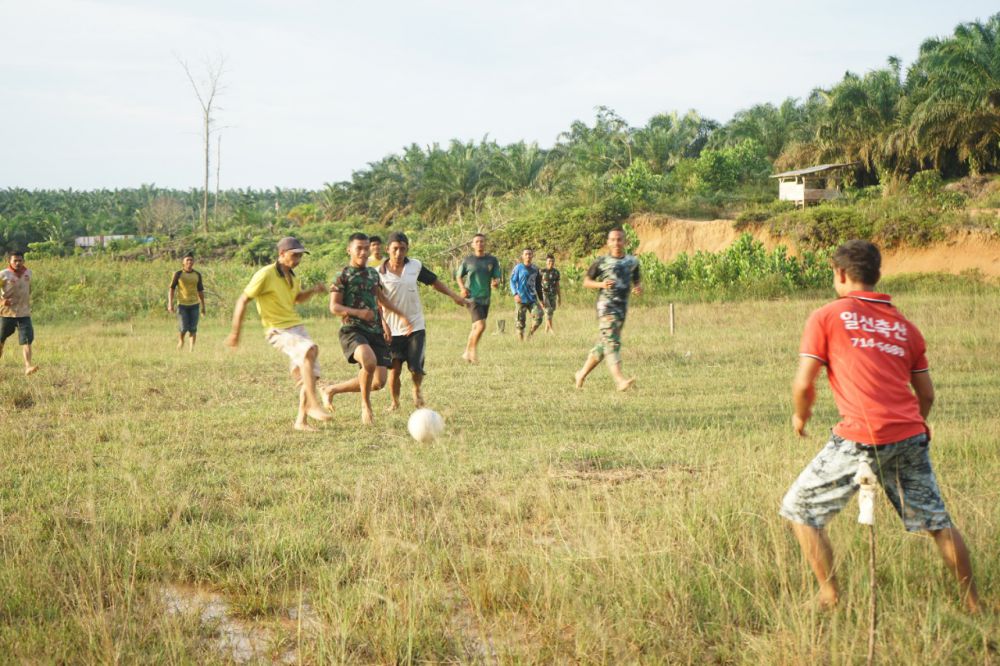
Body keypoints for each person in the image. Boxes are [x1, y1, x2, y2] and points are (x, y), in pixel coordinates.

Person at [780, 239, 980, 613]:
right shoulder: (905, 327)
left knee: (800, 509)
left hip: (861, 435)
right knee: (937, 523)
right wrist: (909, 427)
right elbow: (927, 395)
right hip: (910, 433)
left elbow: (804, 384)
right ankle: (974, 603)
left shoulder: (827, 316)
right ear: (877, 275)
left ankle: (829, 595)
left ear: (840, 274)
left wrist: (800, 416)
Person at [225, 237, 331, 432]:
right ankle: (312, 404)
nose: (298, 259)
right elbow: (243, 300)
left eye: (300, 256)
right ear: (281, 254)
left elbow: (296, 298)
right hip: (277, 330)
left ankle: (301, 421)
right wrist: (235, 332)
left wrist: (313, 291)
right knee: (309, 350)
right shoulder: (265, 274)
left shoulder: (293, 277)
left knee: (311, 374)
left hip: (296, 327)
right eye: (294, 255)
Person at [322, 233, 412, 425]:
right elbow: (334, 307)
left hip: (375, 331)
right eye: (359, 248)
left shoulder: (373, 274)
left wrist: (396, 318)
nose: (363, 252)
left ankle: (331, 389)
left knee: (378, 382)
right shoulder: (342, 276)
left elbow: (380, 300)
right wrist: (359, 313)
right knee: (369, 362)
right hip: (352, 330)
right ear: (349, 250)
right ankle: (366, 406)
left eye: (366, 248)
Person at [375, 231, 469, 411]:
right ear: (387, 249)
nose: (398, 253)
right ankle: (395, 402)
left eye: (403, 249)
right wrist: (383, 324)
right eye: (395, 249)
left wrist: (454, 296)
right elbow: (377, 302)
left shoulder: (415, 266)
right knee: (394, 370)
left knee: (416, 368)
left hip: (416, 325)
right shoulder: (378, 273)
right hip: (392, 329)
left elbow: (434, 282)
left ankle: (417, 390)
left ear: (407, 249)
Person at [574, 229, 641, 391]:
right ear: (608, 242)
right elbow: (586, 282)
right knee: (612, 342)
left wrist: (638, 288)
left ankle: (581, 374)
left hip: (621, 308)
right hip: (606, 307)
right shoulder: (601, 261)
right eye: (613, 239)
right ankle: (620, 381)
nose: (616, 243)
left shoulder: (632, 262)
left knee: (604, 345)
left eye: (619, 239)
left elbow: (637, 282)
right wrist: (602, 284)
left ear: (625, 242)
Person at [456, 233, 501, 363]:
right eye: (477, 241)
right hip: (471, 297)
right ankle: (472, 352)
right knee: (481, 326)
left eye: (482, 241)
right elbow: (458, 276)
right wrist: (462, 289)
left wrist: (496, 282)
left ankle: (466, 353)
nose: (479, 243)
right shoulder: (468, 260)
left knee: (476, 328)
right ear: (472, 244)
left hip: (485, 297)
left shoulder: (492, 260)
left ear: (485, 243)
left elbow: (497, 276)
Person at [0, 250, 39, 376]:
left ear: (23, 261)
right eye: (15, 260)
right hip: (7, 313)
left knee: (27, 340)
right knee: (1, 340)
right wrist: (2, 301)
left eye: (20, 260)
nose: (18, 263)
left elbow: (28, 289)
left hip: (24, 313)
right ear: (9, 261)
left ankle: (28, 366)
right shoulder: (3, 275)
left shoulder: (28, 273)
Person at [167, 252, 206, 351]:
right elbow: (171, 289)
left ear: (193, 262)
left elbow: (200, 291)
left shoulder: (197, 275)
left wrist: (203, 306)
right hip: (182, 305)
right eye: (187, 260)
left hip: (194, 305)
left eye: (191, 260)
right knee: (183, 328)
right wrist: (170, 304)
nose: (189, 262)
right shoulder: (178, 274)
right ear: (183, 262)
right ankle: (181, 340)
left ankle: (191, 349)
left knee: (193, 328)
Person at [509, 248, 544, 340]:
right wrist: (515, 294)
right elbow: (512, 281)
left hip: (532, 299)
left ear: (532, 256)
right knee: (520, 324)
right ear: (522, 256)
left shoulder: (536, 269)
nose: (528, 256)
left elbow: (538, 285)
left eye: (530, 254)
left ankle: (530, 335)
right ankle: (521, 343)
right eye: (526, 254)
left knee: (539, 317)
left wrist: (541, 299)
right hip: (521, 299)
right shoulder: (518, 268)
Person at [539, 254, 561, 333]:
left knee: (550, 312)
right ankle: (551, 329)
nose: (551, 263)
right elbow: (537, 285)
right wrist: (540, 298)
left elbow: (557, 285)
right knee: (548, 310)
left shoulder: (556, 272)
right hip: (544, 293)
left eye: (552, 261)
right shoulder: (541, 271)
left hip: (553, 294)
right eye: (549, 261)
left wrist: (559, 297)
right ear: (546, 262)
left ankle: (546, 330)